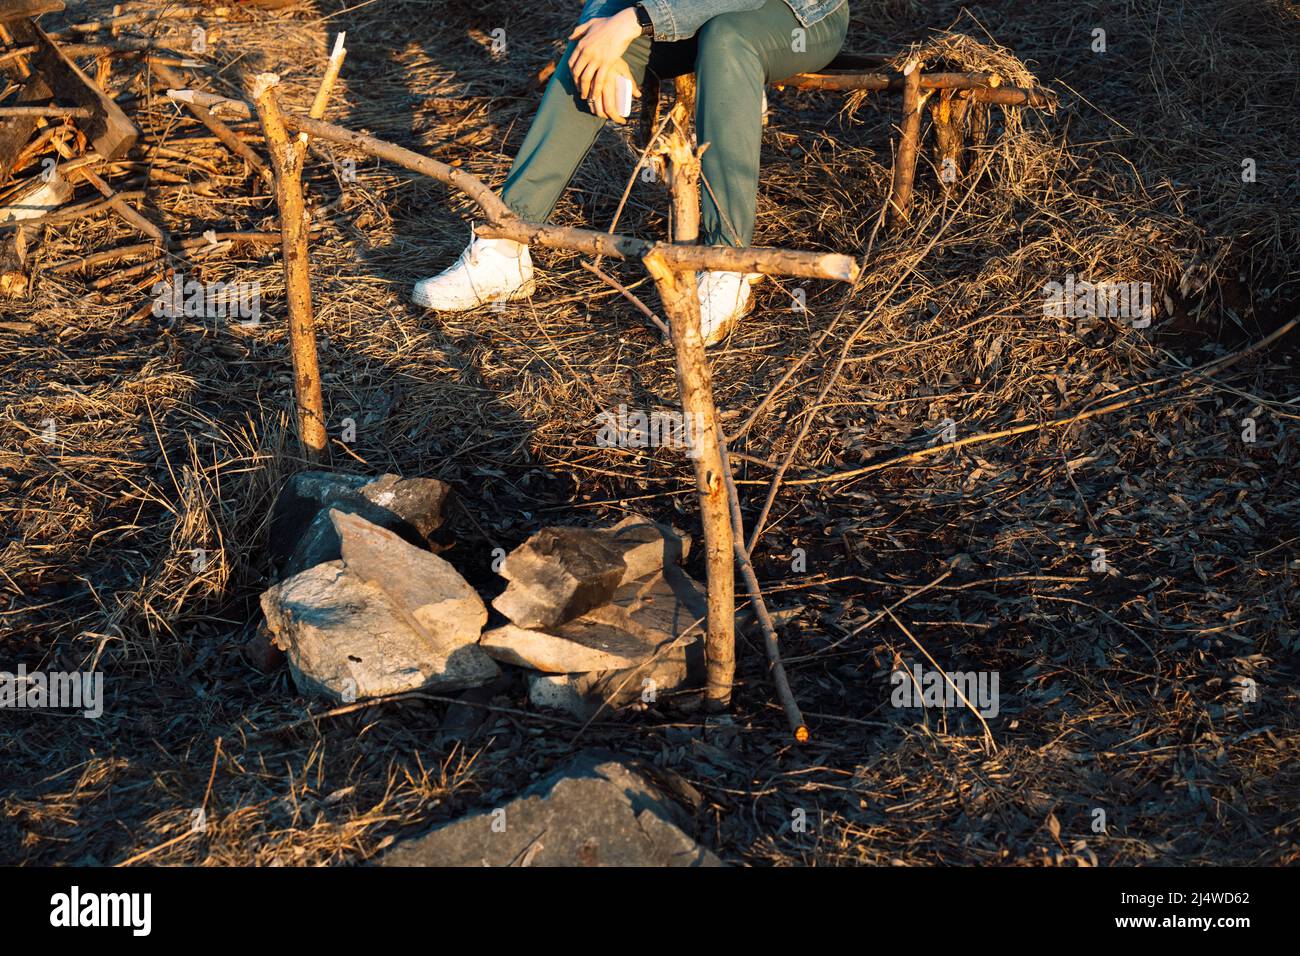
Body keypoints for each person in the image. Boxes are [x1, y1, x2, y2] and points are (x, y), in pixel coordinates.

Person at [413, 0, 850, 345]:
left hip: (796, 17)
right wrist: (606, 35)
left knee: (726, 37)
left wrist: (635, 21)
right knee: (588, 51)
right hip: (678, 11)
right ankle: (505, 245)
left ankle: (727, 262)